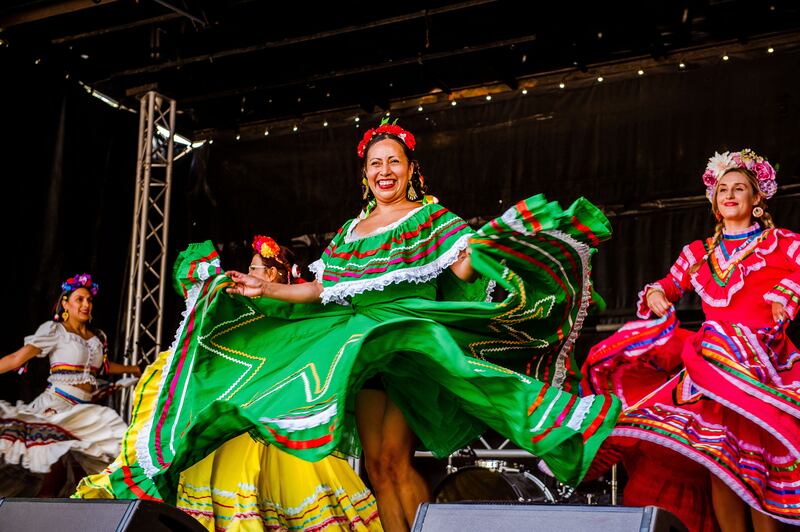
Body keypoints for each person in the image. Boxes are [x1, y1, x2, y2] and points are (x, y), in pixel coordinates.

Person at [75, 120, 621, 532]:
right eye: (375, 163)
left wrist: (493, 251)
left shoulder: (432, 217)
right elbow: (321, 288)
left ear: (411, 169)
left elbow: (459, 264)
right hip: (358, 349)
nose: (385, 171)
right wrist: (266, 289)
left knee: (394, 459)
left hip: (405, 345)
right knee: (379, 465)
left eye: (394, 162)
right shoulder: (353, 230)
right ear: (365, 174)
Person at [581, 149, 800, 531]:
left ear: (757, 198)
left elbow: (797, 276)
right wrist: (656, 296)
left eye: (739, 188)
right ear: (714, 202)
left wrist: (786, 296)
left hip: (759, 366)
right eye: (722, 190)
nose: (729, 195)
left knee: (758, 466)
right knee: (721, 463)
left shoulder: (783, 243)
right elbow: (664, 286)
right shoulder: (699, 253)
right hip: (712, 367)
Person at [0, 273, 140, 497]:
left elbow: (103, 368)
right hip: (58, 404)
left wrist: (132, 369)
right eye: (79, 299)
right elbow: (17, 359)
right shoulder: (55, 331)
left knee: (112, 450)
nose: (86, 304)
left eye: (89, 300)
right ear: (65, 303)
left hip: (83, 410)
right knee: (50, 464)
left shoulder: (97, 338)